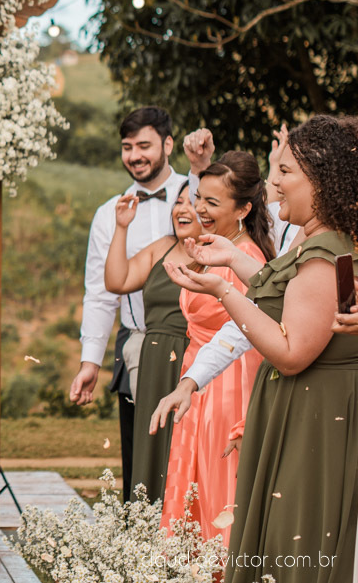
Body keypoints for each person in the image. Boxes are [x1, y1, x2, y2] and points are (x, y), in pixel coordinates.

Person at [154, 115, 358, 583]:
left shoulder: (328, 250)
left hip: (316, 419)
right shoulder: (316, 241)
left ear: (322, 181)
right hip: (298, 410)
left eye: (285, 172)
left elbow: (289, 348)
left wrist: (224, 291)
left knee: (299, 546)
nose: (273, 184)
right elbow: (283, 293)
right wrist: (229, 261)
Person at [70, 107, 187, 497]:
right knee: (142, 457)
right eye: (126, 147)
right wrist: (91, 362)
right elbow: (101, 292)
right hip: (138, 345)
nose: (135, 155)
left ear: (168, 145)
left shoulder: (198, 195)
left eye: (144, 146)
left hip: (198, 341)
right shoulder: (109, 214)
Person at [157, 152, 272, 544]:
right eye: (197, 197)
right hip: (198, 381)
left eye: (212, 202)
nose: (199, 209)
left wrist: (241, 413)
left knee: (217, 491)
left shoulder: (247, 259)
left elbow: (247, 337)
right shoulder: (211, 248)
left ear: (243, 209)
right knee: (194, 487)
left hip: (227, 388)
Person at [103, 181, 200, 502]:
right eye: (179, 201)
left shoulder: (218, 251)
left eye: (192, 202)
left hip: (193, 359)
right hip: (155, 360)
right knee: (152, 446)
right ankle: (147, 528)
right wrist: (121, 228)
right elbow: (117, 281)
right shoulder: (163, 247)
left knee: (184, 446)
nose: (182, 209)